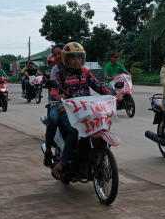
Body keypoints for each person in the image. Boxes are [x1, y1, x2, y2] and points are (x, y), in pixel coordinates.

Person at [48, 42, 120, 178]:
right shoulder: (60, 74)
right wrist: (56, 95)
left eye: (79, 57)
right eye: (73, 58)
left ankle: (102, 158)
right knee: (74, 131)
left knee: (102, 127)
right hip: (69, 112)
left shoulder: (85, 72)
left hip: (87, 110)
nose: (77, 61)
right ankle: (62, 163)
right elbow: (53, 89)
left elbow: (98, 86)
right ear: (66, 59)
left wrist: (113, 96)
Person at [43, 43, 66, 166]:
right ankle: (48, 150)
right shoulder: (55, 70)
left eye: (60, 53)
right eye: (55, 54)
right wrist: (57, 94)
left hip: (75, 103)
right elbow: (53, 88)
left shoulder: (79, 68)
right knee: (53, 119)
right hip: (57, 103)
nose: (57, 56)